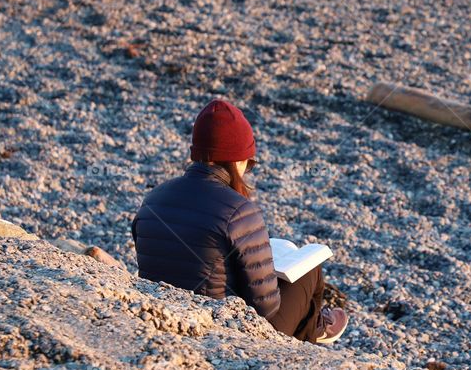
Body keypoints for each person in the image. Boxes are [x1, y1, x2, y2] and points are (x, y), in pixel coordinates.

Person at [131, 99, 348, 344]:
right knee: (309, 271)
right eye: (249, 161)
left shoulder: (153, 199)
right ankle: (315, 327)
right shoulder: (239, 211)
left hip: (164, 314)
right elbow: (266, 307)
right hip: (218, 328)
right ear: (236, 160)